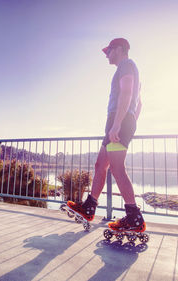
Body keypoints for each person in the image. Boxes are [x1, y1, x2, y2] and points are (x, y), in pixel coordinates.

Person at [67, 38, 145, 232]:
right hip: (119, 120)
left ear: (118, 49)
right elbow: (139, 102)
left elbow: (126, 93)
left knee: (117, 168)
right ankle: (89, 207)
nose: (106, 55)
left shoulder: (126, 65)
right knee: (101, 165)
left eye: (108, 51)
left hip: (119, 121)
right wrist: (129, 121)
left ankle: (134, 217)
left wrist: (120, 124)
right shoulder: (128, 67)